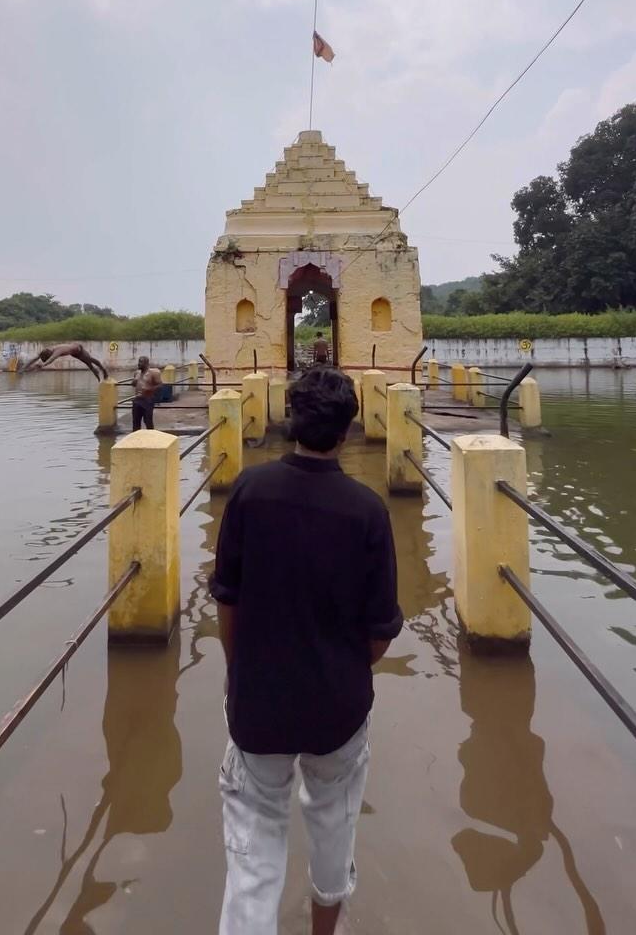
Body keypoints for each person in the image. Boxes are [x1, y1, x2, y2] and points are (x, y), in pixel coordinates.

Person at [209, 366, 403, 935]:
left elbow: (228, 599)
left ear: (291, 420)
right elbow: (381, 632)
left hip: (258, 705)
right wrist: (338, 669)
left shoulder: (249, 490)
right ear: (350, 427)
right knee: (335, 831)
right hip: (339, 711)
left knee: (251, 855)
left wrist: (237, 671)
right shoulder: (367, 510)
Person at [22, 342, 108, 381]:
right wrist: (24, 367)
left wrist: (43, 365)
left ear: (49, 354)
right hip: (73, 353)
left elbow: (51, 359)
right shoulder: (47, 350)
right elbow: (35, 358)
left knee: (89, 361)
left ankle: (103, 370)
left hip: (78, 349)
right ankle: (99, 380)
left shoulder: (57, 351)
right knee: (90, 366)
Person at [132, 356, 163, 431]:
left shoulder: (153, 373)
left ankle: (151, 438)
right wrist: (133, 382)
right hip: (137, 399)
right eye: (139, 362)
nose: (138, 364)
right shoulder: (137, 373)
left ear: (146, 363)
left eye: (141, 362)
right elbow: (133, 384)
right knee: (135, 422)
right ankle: (136, 438)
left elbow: (160, 385)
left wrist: (150, 389)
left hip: (147, 399)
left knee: (148, 421)